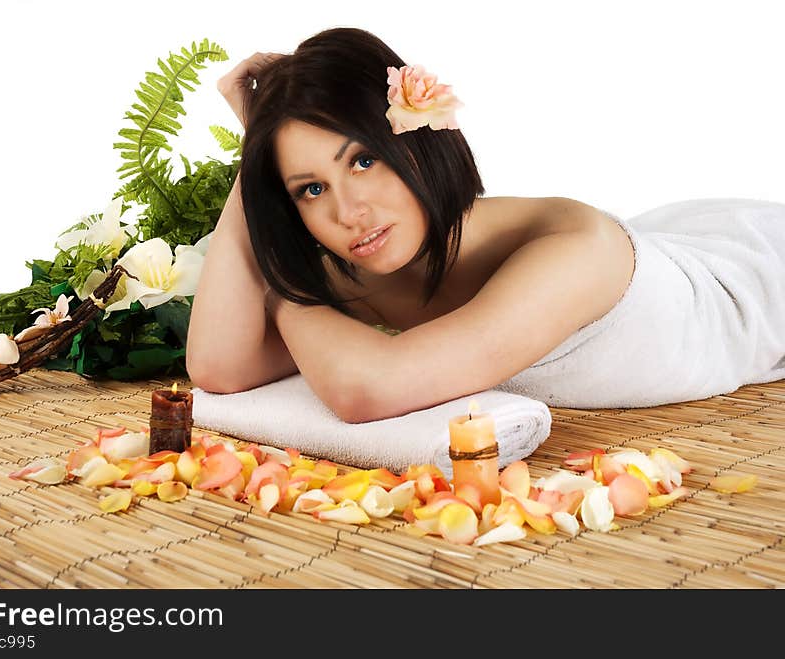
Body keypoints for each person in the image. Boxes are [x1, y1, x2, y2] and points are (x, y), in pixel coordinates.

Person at [186, 27, 785, 423]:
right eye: (310, 189)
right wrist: (255, 155)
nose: (348, 213)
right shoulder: (367, 266)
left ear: (417, 142)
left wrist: (288, 282)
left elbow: (366, 388)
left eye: (363, 161)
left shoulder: (574, 250)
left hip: (755, 279)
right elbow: (219, 367)